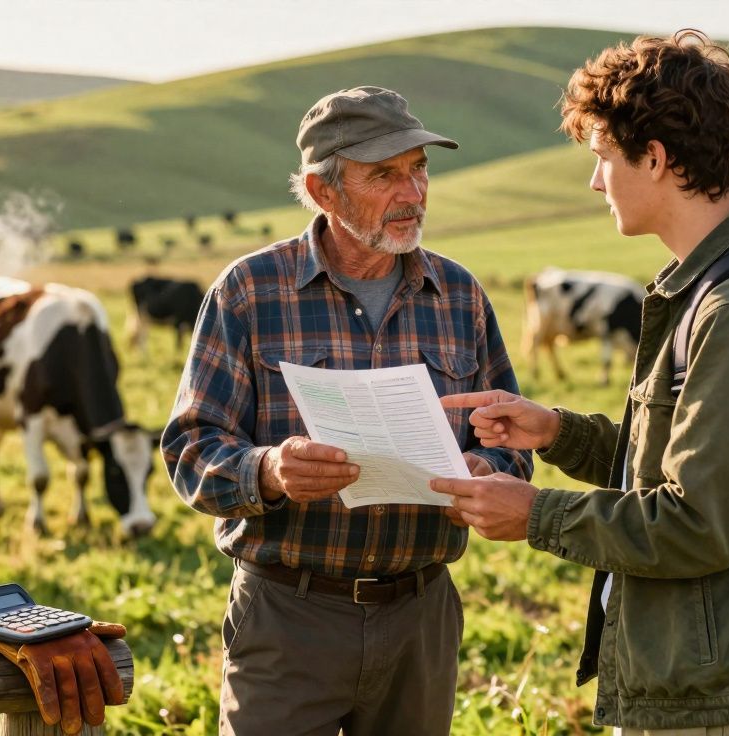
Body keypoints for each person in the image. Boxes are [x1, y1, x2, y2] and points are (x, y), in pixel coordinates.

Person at [430, 31, 729, 736]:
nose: (594, 182)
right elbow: (690, 462)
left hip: (719, 699)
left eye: (602, 158)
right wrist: (559, 432)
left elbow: (698, 522)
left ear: (655, 159)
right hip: (696, 678)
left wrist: (534, 514)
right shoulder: (712, 289)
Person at [161, 85, 532, 735]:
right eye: (385, 174)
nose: (413, 193)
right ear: (322, 190)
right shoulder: (249, 291)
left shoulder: (461, 296)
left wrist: (485, 468)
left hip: (422, 617)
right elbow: (190, 450)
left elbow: (510, 441)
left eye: (419, 168)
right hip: (288, 616)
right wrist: (269, 470)